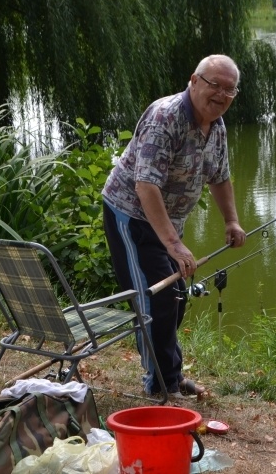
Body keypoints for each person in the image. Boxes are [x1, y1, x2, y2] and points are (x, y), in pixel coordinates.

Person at [102, 54, 246, 398]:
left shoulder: (216, 125)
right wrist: (174, 244)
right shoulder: (165, 117)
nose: (221, 95)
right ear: (194, 81)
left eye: (230, 90)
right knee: (156, 299)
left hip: (168, 223)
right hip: (131, 217)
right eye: (214, 85)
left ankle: (169, 373)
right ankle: (159, 386)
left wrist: (231, 220)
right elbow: (145, 186)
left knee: (176, 298)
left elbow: (220, 176)